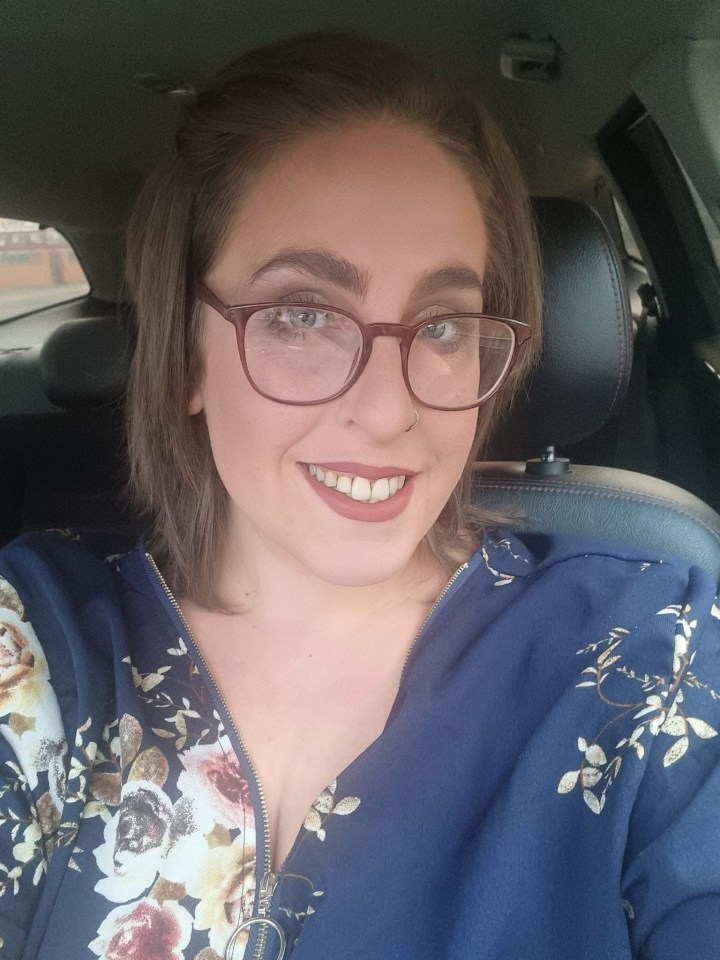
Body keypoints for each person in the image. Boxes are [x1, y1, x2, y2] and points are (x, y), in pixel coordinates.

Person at [1, 31, 719, 960]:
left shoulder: (659, 655)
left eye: (447, 324)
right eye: (302, 315)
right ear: (185, 351)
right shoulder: (35, 647)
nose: (388, 411)